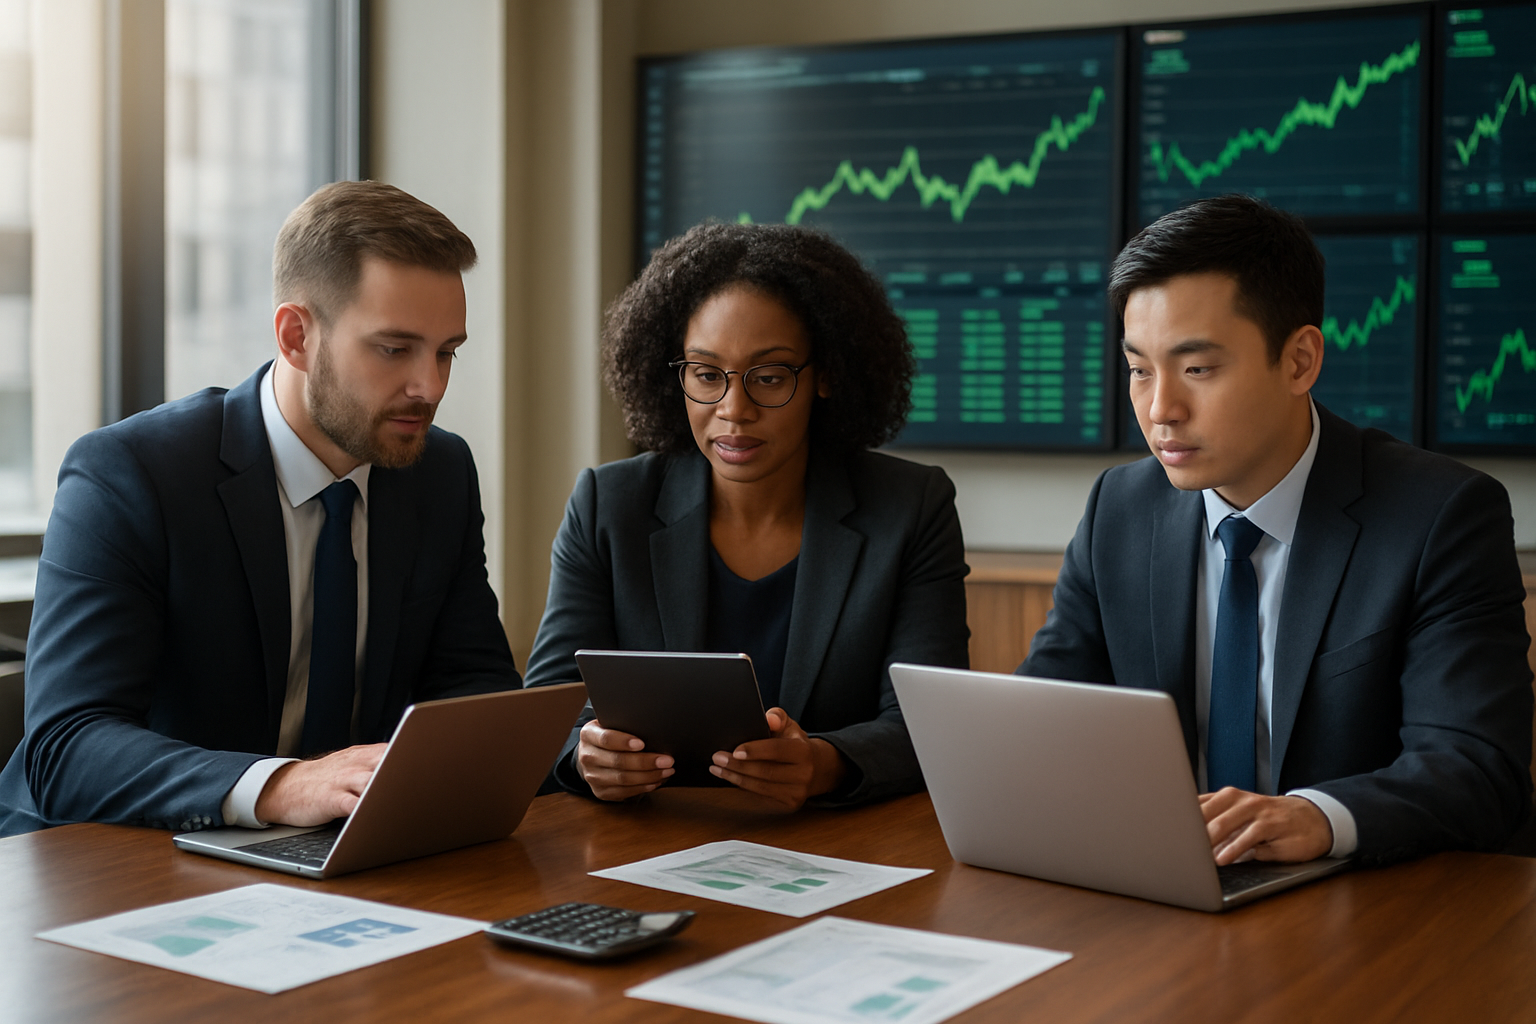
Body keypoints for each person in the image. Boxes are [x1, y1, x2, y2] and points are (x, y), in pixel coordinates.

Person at [1022, 194, 1533, 867]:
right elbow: (1040, 719)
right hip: (1169, 893)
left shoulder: (1441, 515)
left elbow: (1477, 768)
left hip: (1365, 907)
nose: (1160, 409)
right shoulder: (1120, 507)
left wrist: (1317, 818)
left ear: (1299, 361)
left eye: (1198, 369)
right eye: (1139, 370)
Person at [0, 180, 522, 836]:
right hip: (118, 859)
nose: (431, 385)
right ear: (296, 336)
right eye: (394, 349)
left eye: (447, 352)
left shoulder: (439, 473)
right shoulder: (132, 475)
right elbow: (66, 748)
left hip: (332, 859)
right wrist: (282, 785)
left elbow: (474, 690)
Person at [525, 222, 969, 810]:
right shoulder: (609, 506)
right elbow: (549, 708)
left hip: (839, 848)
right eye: (707, 375)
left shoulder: (911, 508)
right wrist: (587, 755)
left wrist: (826, 764)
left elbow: (931, 724)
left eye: (768, 377)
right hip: (644, 841)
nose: (734, 410)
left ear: (828, 375)